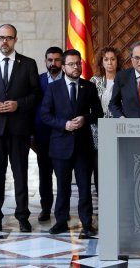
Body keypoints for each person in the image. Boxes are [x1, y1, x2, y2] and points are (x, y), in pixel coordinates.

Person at [0, 24, 41, 233]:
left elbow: (36, 94)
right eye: (1, 38)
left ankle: (22, 216)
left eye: (9, 38)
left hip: (19, 129)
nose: (5, 41)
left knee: (20, 174)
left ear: (15, 40)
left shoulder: (28, 64)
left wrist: (18, 104)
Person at [41, 49, 103, 236]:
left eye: (78, 63)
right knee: (63, 187)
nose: (76, 67)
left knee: (85, 187)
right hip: (60, 146)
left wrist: (85, 118)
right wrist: (63, 124)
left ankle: (86, 224)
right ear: (63, 66)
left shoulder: (89, 87)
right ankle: (61, 221)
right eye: (71, 64)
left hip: (83, 147)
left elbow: (98, 113)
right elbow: (45, 114)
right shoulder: (53, 88)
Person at [33, 46, 64, 222]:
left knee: (63, 175)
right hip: (42, 136)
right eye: (50, 60)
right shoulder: (38, 81)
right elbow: (32, 108)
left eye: (57, 60)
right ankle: (46, 208)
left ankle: (62, 209)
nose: (53, 63)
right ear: (45, 61)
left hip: (63, 136)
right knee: (45, 175)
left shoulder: (69, 80)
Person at [89, 47, 122, 193]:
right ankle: (103, 197)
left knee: (117, 166)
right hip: (98, 130)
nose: (110, 63)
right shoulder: (94, 81)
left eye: (113, 59)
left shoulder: (125, 80)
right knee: (99, 167)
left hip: (118, 129)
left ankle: (117, 197)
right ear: (101, 62)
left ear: (117, 61)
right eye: (106, 59)